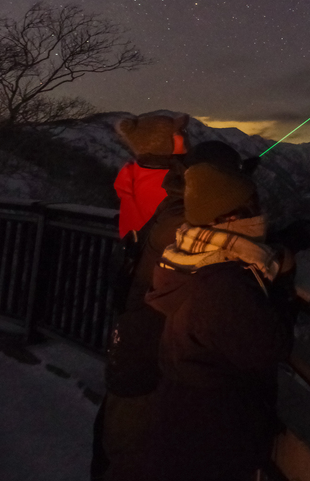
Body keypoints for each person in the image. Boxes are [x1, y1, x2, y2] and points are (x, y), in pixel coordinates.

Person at [143, 160, 295, 481]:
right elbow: (270, 348)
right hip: (216, 435)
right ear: (229, 217)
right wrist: (283, 283)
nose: (259, 216)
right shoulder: (223, 282)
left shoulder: (186, 257)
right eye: (251, 207)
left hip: (184, 424)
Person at [95, 113, 190, 480]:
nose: (186, 138)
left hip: (136, 299)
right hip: (152, 305)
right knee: (137, 427)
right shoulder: (163, 185)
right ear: (165, 144)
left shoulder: (136, 175)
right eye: (180, 134)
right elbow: (183, 217)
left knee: (124, 414)